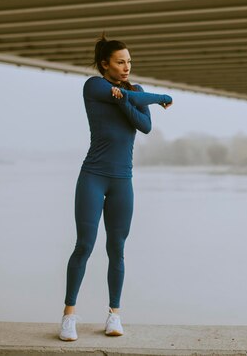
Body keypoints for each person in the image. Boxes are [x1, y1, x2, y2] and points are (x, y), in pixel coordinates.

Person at [59, 33, 173, 341]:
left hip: (123, 180)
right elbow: (139, 104)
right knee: (84, 245)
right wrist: (160, 98)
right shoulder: (93, 87)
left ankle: (114, 315)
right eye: (120, 62)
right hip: (93, 176)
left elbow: (145, 126)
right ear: (104, 64)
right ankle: (69, 316)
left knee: (117, 249)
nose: (127, 67)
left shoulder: (133, 91)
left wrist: (126, 100)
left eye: (129, 62)